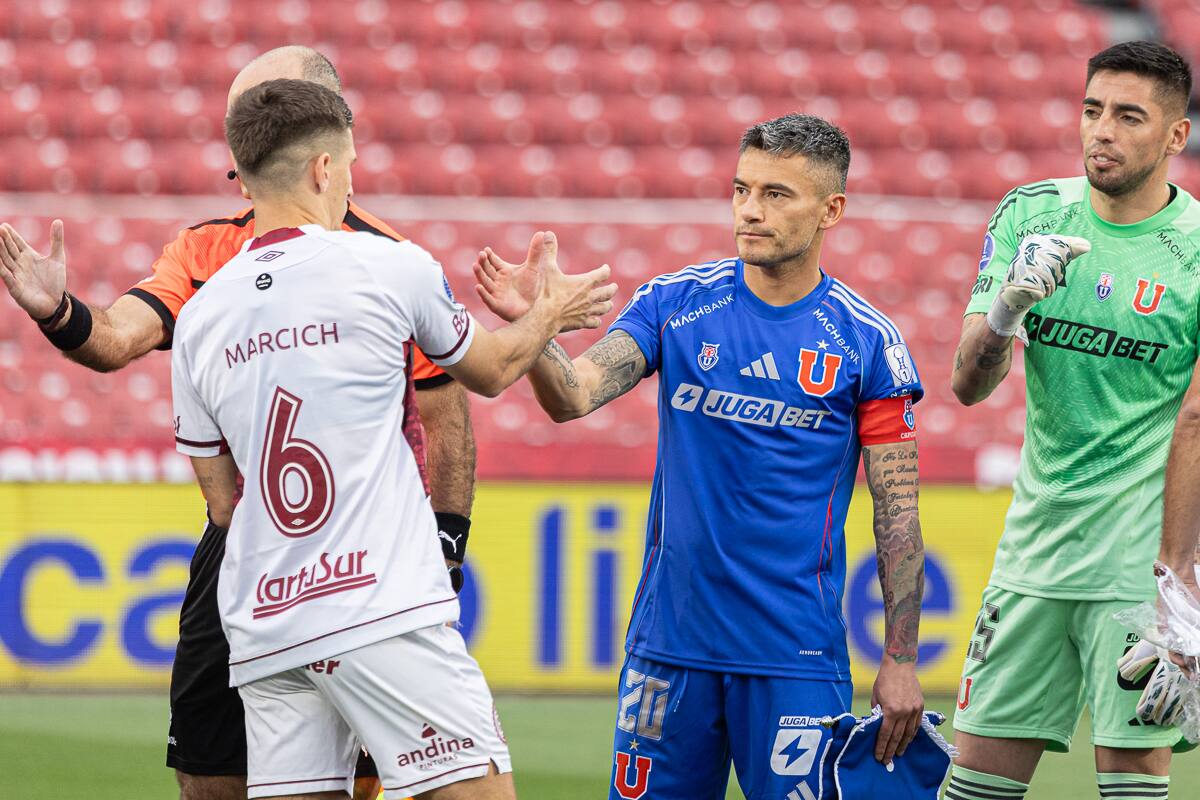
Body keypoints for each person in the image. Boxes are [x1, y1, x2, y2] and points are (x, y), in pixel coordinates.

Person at [0, 46, 473, 800]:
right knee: (209, 779)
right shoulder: (207, 250)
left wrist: (446, 544)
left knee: (362, 782)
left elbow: (448, 415)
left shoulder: (387, 260)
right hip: (247, 548)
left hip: (369, 548)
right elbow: (118, 336)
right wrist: (62, 314)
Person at [167, 78, 613, 800]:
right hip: (377, 604)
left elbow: (222, 506)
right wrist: (550, 312)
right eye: (347, 166)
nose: (349, 182)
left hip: (264, 625)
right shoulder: (386, 264)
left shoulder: (200, 316)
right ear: (321, 170)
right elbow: (494, 371)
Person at [475, 113, 928, 800]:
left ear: (832, 209)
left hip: (795, 658)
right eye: (742, 189)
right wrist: (534, 325)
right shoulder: (675, 305)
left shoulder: (867, 342)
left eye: (777, 194)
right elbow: (574, 395)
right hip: (668, 650)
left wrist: (899, 660)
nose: (750, 210)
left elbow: (898, 515)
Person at [946, 40, 1198, 800]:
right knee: (974, 784)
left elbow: (1196, 423)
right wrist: (1006, 310)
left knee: (1130, 782)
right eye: (1092, 110)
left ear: (1176, 135)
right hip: (1033, 556)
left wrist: (1177, 590)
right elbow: (967, 383)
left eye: (1128, 116)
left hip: (1135, 574)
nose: (1102, 131)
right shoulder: (1031, 214)